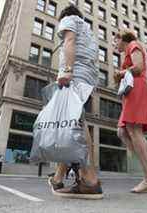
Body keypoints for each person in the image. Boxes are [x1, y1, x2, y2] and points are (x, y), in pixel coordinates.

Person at [47, 4, 103, 199]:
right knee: (72, 123)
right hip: (87, 77)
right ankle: (59, 177)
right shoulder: (88, 31)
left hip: (76, 75)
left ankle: (89, 180)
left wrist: (68, 70)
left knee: (77, 124)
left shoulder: (69, 21)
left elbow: (69, 40)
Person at [114, 30, 147, 193]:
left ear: (122, 39)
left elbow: (139, 67)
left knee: (134, 130)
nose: (114, 44)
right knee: (122, 132)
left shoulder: (133, 45)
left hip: (136, 88)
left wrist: (120, 73)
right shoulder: (128, 51)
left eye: (115, 40)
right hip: (131, 92)